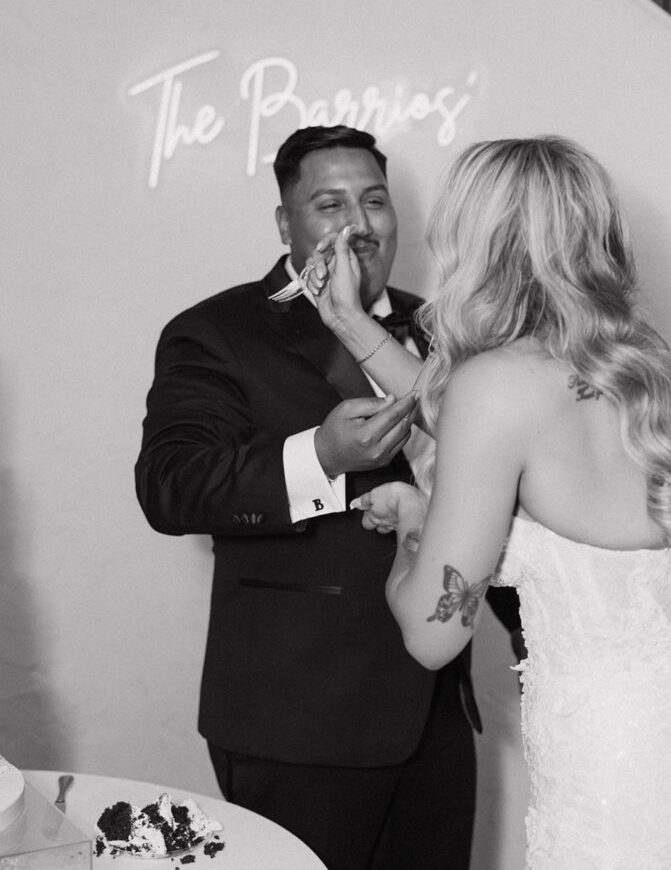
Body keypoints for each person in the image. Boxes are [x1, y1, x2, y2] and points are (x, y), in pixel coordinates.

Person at [312, 135, 671, 869]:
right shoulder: (637, 363)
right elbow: (471, 424)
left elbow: (431, 637)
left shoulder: (495, 386)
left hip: (612, 774)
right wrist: (348, 320)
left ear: (476, 240)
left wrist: (415, 520)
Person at [134, 124, 524, 870]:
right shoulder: (218, 331)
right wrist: (319, 456)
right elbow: (170, 485)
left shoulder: (450, 331)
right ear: (287, 224)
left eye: (374, 201)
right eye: (329, 203)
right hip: (295, 719)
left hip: (437, 712)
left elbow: (496, 490)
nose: (358, 223)